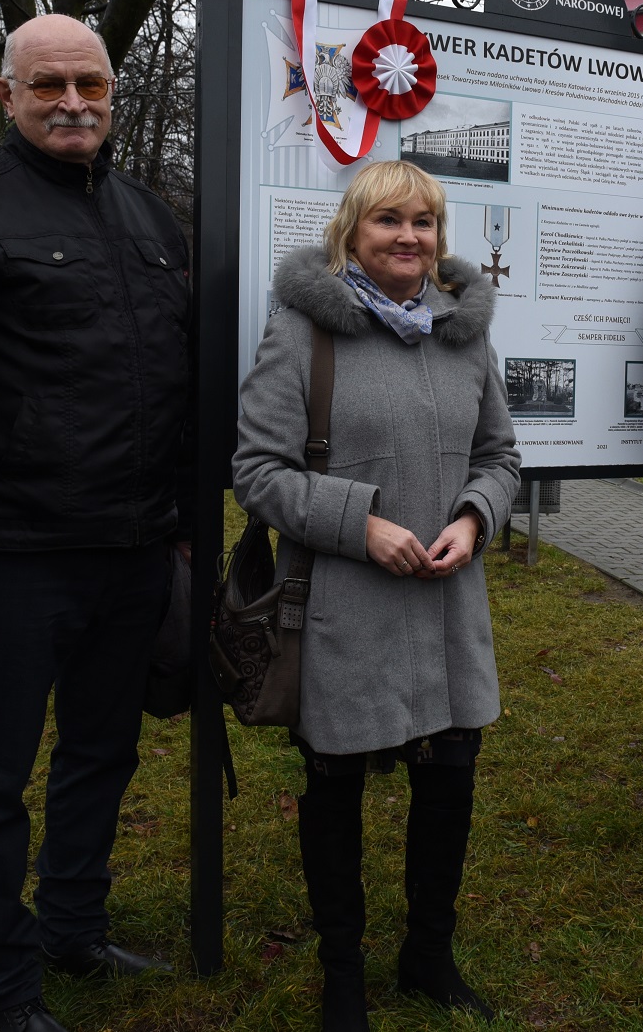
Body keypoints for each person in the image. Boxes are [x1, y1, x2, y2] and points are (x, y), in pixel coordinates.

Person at [0, 14, 192, 1032]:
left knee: (100, 752)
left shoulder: (150, 218)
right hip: (11, 554)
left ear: (114, 91)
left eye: (91, 84)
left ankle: (73, 925)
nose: (73, 101)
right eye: (50, 84)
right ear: (5, 94)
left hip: (132, 549)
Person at [233, 159, 521, 1031]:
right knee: (338, 797)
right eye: (388, 221)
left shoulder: (464, 334)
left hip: (447, 606)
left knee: (449, 789)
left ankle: (427, 955)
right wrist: (361, 525)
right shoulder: (304, 333)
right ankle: (343, 974)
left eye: (424, 223)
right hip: (344, 609)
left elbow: (499, 456)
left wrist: (473, 520)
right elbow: (255, 471)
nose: (408, 238)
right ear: (351, 233)